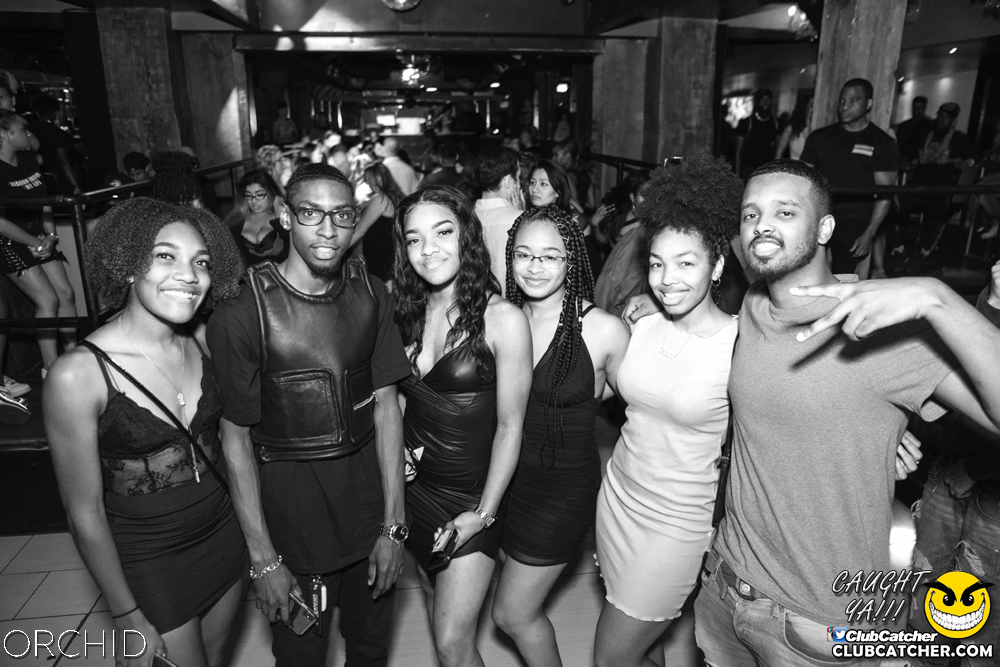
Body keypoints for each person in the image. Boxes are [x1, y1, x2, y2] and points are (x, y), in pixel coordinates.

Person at [685, 159, 1000, 666]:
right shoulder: (755, 304)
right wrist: (660, 311)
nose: (762, 225)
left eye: (786, 212)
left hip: (820, 620)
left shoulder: (885, 328)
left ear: (825, 229)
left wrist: (938, 299)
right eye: (751, 214)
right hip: (726, 585)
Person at [207, 163, 410, 667]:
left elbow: (387, 405)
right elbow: (234, 439)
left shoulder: (371, 292)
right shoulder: (243, 311)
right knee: (301, 659)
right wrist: (263, 558)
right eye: (310, 213)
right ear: (284, 216)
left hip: (369, 523)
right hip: (293, 536)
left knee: (370, 652)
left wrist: (393, 526)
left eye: (342, 215)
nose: (328, 230)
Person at [43, 197, 247, 667]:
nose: (189, 275)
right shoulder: (79, 374)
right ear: (129, 264)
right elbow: (84, 511)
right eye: (165, 256)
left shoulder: (202, 341)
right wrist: (126, 613)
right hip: (150, 557)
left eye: (201, 262)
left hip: (224, 534)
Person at [593, 155, 743, 667]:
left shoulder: (740, 345)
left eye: (685, 264)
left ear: (716, 266)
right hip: (619, 498)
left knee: (611, 657)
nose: (666, 279)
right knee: (651, 645)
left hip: (679, 523)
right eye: (657, 264)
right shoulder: (642, 323)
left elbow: (787, 411)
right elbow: (599, 390)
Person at [393, 185, 531, 667]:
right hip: (415, 492)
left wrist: (484, 513)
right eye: (414, 239)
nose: (428, 249)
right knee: (436, 609)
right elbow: (403, 398)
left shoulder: (503, 319)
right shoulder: (407, 311)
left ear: (467, 237)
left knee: (452, 642)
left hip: (471, 498)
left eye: (443, 232)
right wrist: (396, 454)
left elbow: (511, 426)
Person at [491, 205, 629, 667]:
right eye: (523, 254)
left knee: (512, 613)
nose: (535, 267)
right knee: (513, 589)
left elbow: (639, 407)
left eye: (550, 256)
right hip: (506, 482)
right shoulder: (500, 318)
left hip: (562, 492)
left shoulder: (604, 330)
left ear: (572, 261)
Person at [0, 110, 76, 386]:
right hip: (9, 239)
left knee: (66, 293)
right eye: (23, 128)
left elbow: (45, 201)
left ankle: (74, 356)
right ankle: (51, 369)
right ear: (7, 135)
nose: (29, 134)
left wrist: (51, 237)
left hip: (39, 234)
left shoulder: (29, 160)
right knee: (48, 300)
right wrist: (34, 243)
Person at [800, 78, 898, 277]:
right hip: (820, 216)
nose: (844, 106)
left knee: (842, 277)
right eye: (842, 100)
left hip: (855, 221)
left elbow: (885, 194)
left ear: (868, 104)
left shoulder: (882, 143)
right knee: (807, 274)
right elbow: (800, 181)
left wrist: (870, 232)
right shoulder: (820, 138)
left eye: (853, 101)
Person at [592, 170, 651, 318]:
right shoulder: (619, 214)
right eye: (644, 194)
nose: (650, 200)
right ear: (632, 197)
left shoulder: (648, 226)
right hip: (609, 275)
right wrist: (595, 224)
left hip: (630, 285)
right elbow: (603, 239)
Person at [470, 146, 524, 292]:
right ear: (508, 181)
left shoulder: (464, 215)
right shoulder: (520, 220)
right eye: (518, 177)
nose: (519, 184)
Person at [350, 161, 405, 283]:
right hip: (389, 257)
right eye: (367, 180)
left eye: (370, 179)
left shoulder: (381, 199)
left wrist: (340, 249)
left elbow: (361, 229)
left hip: (379, 259)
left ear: (379, 179)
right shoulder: (395, 197)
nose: (368, 183)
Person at [224, 170, 288, 269]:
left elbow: (291, 248)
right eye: (248, 196)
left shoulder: (283, 217)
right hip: (250, 277)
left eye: (259, 195)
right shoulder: (235, 223)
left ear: (271, 193)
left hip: (283, 275)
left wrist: (278, 210)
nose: (253, 200)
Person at [26, 93, 82, 195]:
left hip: (36, 179)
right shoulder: (57, 133)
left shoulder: (28, 129)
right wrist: (76, 185)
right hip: (59, 180)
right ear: (54, 112)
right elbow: (63, 161)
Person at [734, 89, 779, 180]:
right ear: (757, 101)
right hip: (748, 169)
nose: (766, 102)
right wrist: (737, 175)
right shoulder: (746, 122)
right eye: (763, 99)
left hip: (766, 170)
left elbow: (776, 149)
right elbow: (738, 151)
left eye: (768, 99)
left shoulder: (774, 123)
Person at [896, 96, 933, 170]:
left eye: (920, 108)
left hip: (921, 164)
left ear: (925, 108)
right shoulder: (903, 126)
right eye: (915, 107)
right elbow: (898, 145)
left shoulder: (930, 125)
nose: (917, 110)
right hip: (903, 162)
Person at [774, 96, 813, 161]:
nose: (812, 109)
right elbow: (779, 153)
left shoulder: (818, 128)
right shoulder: (791, 129)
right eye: (810, 105)